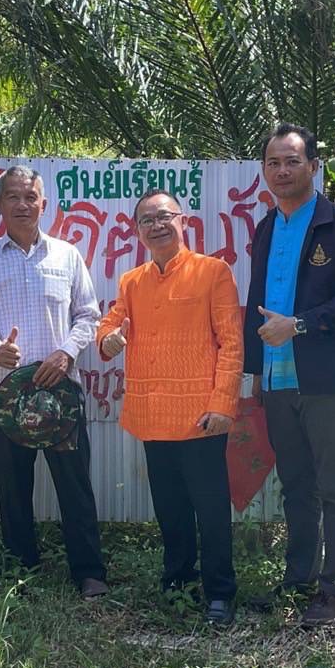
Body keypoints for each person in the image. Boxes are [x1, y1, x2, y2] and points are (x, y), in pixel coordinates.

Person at [243, 124, 335, 626]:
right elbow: (258, 304)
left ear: (314, 167)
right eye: (274, 162)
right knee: (296, 484)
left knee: (334, 485)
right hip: (278, 381)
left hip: (326, 380)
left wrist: (300, 325)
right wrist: (256, 370)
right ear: (264, 170)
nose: (282, 171)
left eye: (293, 161)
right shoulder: (265, 227)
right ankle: (298, 578)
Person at [96, 189, 242, 625]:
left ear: (183, 222)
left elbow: (232, 343)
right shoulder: (132, 281)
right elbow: (110, 324)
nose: (157, 225)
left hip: (201, 416)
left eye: (164, 217)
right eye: (147, 220)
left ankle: (220, 592)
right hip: (153, 415)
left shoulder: (213, 272)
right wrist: (110, 339)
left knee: (211, 509)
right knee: (170, 507)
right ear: (137, 231)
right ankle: (178, 580)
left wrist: (223, 404)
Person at [0, 165, 109, 599]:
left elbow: (88, 315)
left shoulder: (67, 256)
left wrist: (66, 353)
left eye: (30, 196)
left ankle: (88, 571)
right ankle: (20, 567)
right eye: (13, 196)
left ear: (44, 204)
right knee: (12, 487)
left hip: (60, 394)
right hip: (5, 394)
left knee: (75, 484)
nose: (22, 204)